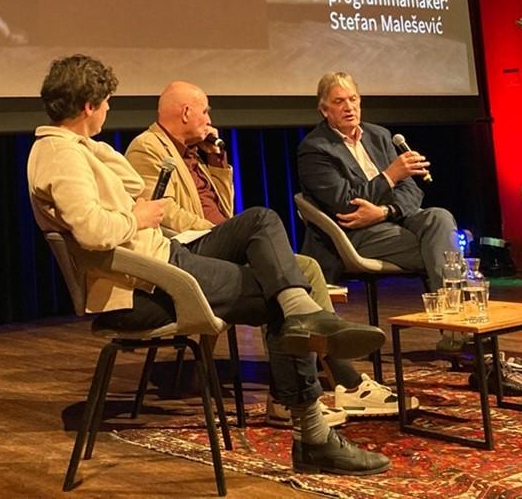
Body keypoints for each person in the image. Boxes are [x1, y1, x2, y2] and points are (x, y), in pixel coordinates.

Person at [28, 56, 390, 477]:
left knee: (261, 222)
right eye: (106, 102)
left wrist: (104, 159)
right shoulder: (59, 154)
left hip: (161, 265)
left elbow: (127, 187)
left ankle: (304, 329)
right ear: (89, 105)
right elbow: (93, 231)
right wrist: (138, 217)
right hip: (147, 287)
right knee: (284, 299)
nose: (109, 110)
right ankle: (313, 436)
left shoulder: (78, 149)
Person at [125, 80, 415, 422]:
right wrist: (226, 234)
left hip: (212, 244)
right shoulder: (147, 148)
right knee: (268, 234)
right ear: (186, 112)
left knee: (303, 269)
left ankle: (295, 394)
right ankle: (332, 385)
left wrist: (216, 163)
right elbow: (161, 212)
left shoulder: (195, 154)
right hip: (187, 251)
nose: (208, 118)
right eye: (204, 110)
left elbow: (221, 205)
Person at [296, 71, 464, 354]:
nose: (349, 107)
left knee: (440, 217)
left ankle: (456, 328)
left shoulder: (380, 135)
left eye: (353, 99)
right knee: (442, 250)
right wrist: (389, 176)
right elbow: (345, 203)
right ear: (324, 110)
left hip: (391, 219)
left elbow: (412, 189)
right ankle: (459, 331)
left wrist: (386, 210)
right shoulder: (314, 148)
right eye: (339, 101)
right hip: (354, 233)